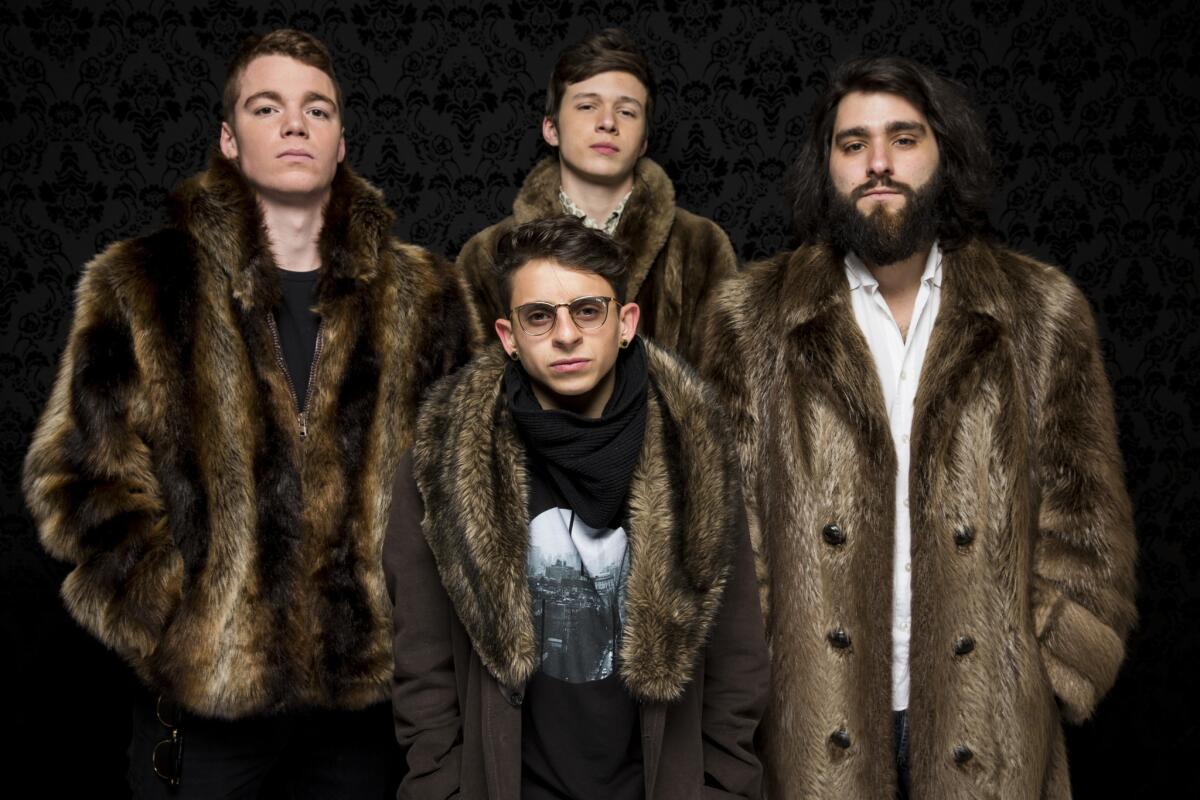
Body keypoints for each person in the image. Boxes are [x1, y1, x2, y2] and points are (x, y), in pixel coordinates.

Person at [22, 29, 473, 798]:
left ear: (340, 141)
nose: (295, 125)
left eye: (316, 109)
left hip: (367, 708)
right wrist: (181, 621)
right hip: (206, 713)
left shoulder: (425, 294)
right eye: (268, 107)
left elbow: (470, 478)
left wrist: (406, 624)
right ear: (230, 140)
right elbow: (77, 481)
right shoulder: (142, 283)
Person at [702, 55, 1137, 799]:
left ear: (944, 152)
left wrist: (1050, 655)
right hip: (809, 715)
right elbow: (724, 524)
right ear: (827, 165)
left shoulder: (1040, 310)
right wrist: (760, 667)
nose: (878, 163)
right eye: (853, 144)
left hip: (994, 712)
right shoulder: (751, 317)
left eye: (904, 138)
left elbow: (1086, 513)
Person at [385, 215, 768, 798]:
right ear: (509, 336)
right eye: (539, 316)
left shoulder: (694, 452)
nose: (565, 334)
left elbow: (737, 654)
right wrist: (442, 788)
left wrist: (720, 787)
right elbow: (422, 660)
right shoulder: (444, 461)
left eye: (588, 310)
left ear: (625, 323)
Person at [456, 28, 737, 364]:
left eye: (627, 111)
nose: (607, 122)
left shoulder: (701, 245)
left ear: (644, 140)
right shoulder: (485, 254)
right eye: (587, 106)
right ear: (551, 128)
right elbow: (472, 393)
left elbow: (721, 386)